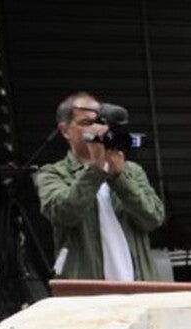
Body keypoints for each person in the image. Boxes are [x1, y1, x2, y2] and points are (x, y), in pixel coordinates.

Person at [34, 92, 165, 281]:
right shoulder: (52, 174)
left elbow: (154, 218)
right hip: (90, 294)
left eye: (101, 122)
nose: (97, 129)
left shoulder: (131, 171)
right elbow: (64, 213)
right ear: (64, 130)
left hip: (138, 286)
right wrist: (96, 170)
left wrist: (119, 178)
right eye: (87, 123)